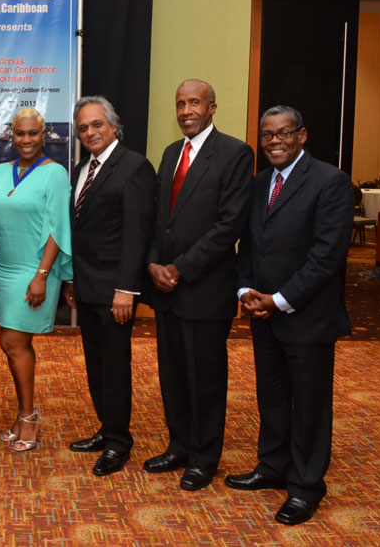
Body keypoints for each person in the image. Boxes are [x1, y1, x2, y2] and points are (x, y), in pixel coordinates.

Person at [228, 106, 353, 525]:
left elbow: (327, 256)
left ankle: (305, 487)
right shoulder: (259, 183)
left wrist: (279, 299)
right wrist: (245, 291)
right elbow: (249, 246)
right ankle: (273, 466)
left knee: (310, 405)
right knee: (273, 397)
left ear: (302, 135)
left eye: (284, 133)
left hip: (306, 316)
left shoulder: (330, 181)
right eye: (267, 135)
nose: (275, 141)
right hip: (263, 314)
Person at [144, 79, 253, 491]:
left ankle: (204, 457)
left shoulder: (235, 154)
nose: (186, 111)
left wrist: (180, 268)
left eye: (194, 103)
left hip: (204, 288)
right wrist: (154, 263)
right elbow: (159, 218)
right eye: (180, 104)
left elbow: (229, 225)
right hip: (166, 288)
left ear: (212, 108)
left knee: (204, 378)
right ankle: (179, 446)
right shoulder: (171, 153)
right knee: (173, 374)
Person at [63, 96, 155, 476]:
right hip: (86, 287)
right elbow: (78, 230)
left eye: (97, 124)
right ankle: (106, 428)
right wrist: (72, 279)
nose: (90, 132)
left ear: (114, 126)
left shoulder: (135, 167)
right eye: (83, 128)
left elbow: (137, 233)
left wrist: (126, 290)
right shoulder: (81, 169)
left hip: (115, 291)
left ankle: (119, 443)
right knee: (96, 366)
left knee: (115, 369)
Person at [0, 107, 72, 452]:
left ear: (44, 134)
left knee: (13, 343)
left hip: (34, 270)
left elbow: (57, 228)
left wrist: (42, 275)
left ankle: (28, 416)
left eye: (33, 133)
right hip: (2, 271)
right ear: (12, 135)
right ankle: (23, 415)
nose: (26, 140)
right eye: (20, 133)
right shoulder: (1, 171)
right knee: (11, 344)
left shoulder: (55, 174)